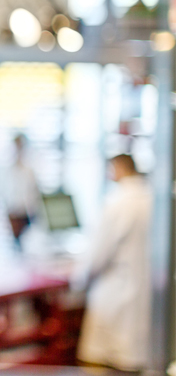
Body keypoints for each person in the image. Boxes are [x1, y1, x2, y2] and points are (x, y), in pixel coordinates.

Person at [71, 154, 152, 372]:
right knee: (131, 358)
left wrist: (79, 280)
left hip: (114, 291)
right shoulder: (151, 197)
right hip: (142, 290)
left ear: (117, 168)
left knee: (105, 360)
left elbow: (98, 254)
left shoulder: (117, 202)